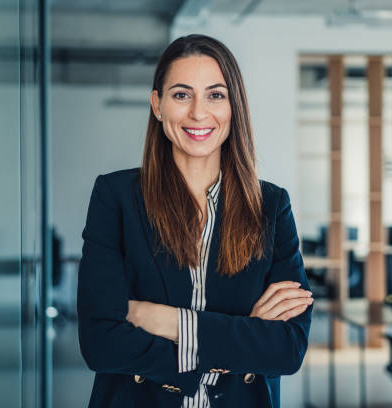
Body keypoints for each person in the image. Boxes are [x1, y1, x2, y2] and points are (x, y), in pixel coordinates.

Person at [77, 34, 313, 408]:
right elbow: (101, 344)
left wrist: (162, 320)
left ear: (234, 106)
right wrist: (242, 337)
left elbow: (287, 350)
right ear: (157, 105)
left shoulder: (271, 206)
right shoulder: (116, 197)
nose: (199, 113)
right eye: (182, 95)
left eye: (216, 95)